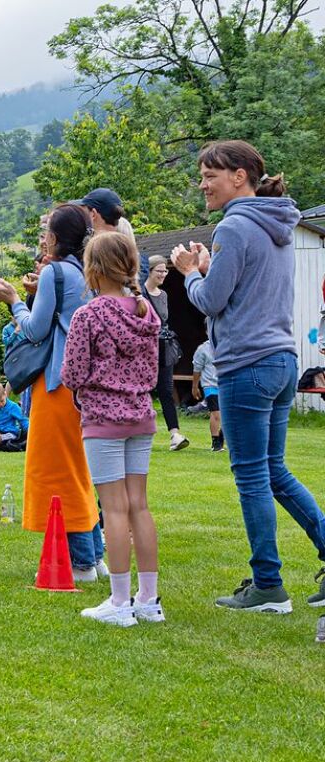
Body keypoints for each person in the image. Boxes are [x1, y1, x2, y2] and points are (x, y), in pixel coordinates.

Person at [171, 139, 325, 615]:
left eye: (208, 175)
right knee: (274, 470)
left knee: (253, 476)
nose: (202, 184)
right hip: (281, 359)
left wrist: (191, 273)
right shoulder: (276, 222)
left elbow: (211, 300)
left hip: (246, 366)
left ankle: (268, 585)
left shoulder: (234, 227)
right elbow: (247, 290)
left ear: (239, 176)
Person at [0, 203, 105, 582]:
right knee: (79, 468)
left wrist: (14, 302)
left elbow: (34, 330)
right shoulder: (85, 271)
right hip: (84, 383)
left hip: (57, 381)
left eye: (45, 231)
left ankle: (81, 562)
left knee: (58, 471)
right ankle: (96, 555)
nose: (41, 237)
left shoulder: (54, 271)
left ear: (55, 238)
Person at [62, 232, 164, 626]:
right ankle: (148, 600)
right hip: (141, 415)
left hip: (103, 420)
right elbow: (154, 372)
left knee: (115, 508)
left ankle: (120, 602)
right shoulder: (146, 314)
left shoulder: (87, 315)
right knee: (139, 505)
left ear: (94, 269)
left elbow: (71, 373)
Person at [143, 256, 189, 450]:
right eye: (159, 271)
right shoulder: (139, 294)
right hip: (144, 350)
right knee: (143, 390)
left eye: (165, 271)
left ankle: (175, 435)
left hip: (164, 347)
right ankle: (142, 432)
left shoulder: (163, 295)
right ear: (150, 271)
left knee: (166, 391)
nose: (162, 274)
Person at [191, 339, 225, 452]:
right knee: (216, 413)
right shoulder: (203, 349)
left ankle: (222, 437)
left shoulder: (229, 345)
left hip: (226, 384)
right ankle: (215, 442)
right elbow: (197, 369)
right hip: (210, 385)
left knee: (227, 415)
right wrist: (194, 387)